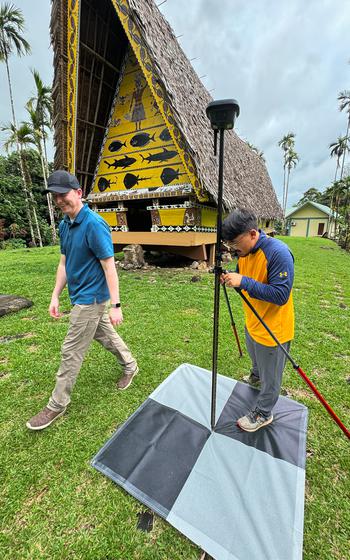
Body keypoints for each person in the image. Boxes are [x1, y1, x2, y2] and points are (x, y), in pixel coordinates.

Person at [26, 170, 138, 431]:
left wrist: (116, 305)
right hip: (78, 296)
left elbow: (109, 266)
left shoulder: (93, 224)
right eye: (55, 197)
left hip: (92, 298)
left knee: (71, 350)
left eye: (62, 194)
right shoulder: (65, 224)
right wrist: (55, 295)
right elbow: (64, 263)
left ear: (78, 192)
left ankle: (57, 403)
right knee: (104, 335)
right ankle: (130, 365)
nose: (59, 200)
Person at [221, 208, 294, 432]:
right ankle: (255, 376)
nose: (232, 249)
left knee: (271, 378)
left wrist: (243, 281)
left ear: (253, 234)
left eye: (234, 243)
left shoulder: (278, 252)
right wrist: (233, 281)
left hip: (273, 329)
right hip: (253, 321)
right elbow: (245, 284)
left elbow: (280, 295)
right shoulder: (245, 254)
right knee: (256, 360)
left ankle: (264, 413)